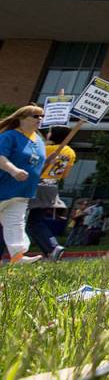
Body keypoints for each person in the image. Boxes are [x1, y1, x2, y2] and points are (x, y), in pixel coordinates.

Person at [0, 104, 47, 265]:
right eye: (35, 116)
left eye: (42, 116)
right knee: (15, 222)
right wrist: (13, 171)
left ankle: (17, 257)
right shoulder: (9, 136)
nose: (40, 119)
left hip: (22, 192)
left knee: (16, 224)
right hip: (3, 188)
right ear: (21, 118)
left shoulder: (39, 140)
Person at [26, 125, 76, 260]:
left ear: (54, 135)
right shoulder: (70, 152)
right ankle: (52, 250)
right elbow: (65, 175)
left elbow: (31, 164)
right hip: (51, 188)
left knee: (23, 220)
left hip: (36, 185)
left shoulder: (44, 149)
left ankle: (51, 248)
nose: (47, 134)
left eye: (49, 132)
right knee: (35, 221)